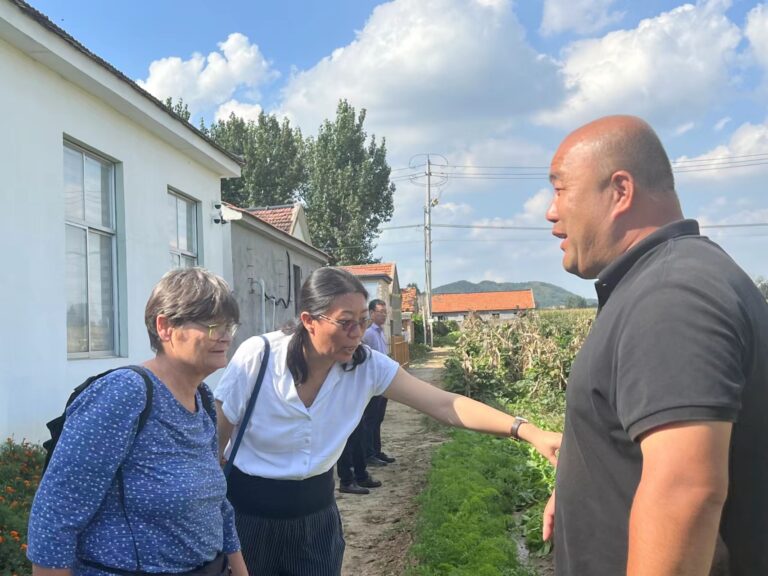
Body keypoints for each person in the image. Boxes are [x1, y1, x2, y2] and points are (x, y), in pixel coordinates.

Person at [215, 266, 561, 576]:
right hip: (250, 521)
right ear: (309, 320)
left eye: (363, 321)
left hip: (316, 522)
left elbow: (444, 403)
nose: (357, 333)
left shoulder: (367, 366)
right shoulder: (258, 357)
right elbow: (215, 443)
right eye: (346, 322)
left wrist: (526, 430)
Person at [542, 115, 768, 576]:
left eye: (561, 189)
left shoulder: (671, 295)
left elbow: (687, 491)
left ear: (620, 191)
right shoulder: (669, 279)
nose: (551, 211)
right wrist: (579, 485)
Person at [27, 267, 248, 576]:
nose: (224, 336)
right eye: (212, 324)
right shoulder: (125, 393)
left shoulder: (204, 399)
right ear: (165, 327)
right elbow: (56, 513)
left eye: (229, 325)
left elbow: (216, 504)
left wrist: (238, 568)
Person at [361, 299, 394, 466]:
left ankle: (377, 450)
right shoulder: (368, 334)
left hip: (383, 383)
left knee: (378, 419)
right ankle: (369, 454)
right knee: (370, 420)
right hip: (373, 385)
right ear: (371, 313)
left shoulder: (381, 332)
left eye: (385, 312)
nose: (383, 315)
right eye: (380, 312)